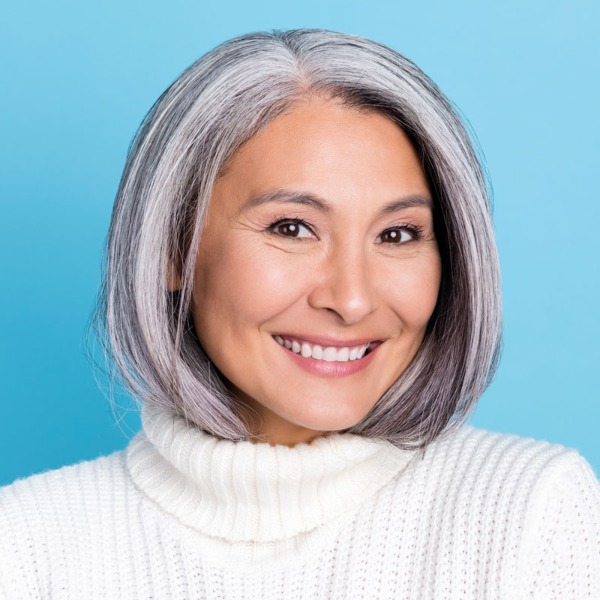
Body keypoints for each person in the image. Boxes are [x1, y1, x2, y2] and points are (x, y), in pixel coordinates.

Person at [1, 28, 599, 599]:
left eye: (397, 234)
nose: (353, 298)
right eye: (293, 228)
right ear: (171, 251)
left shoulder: (534, 514)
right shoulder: (27, 546)